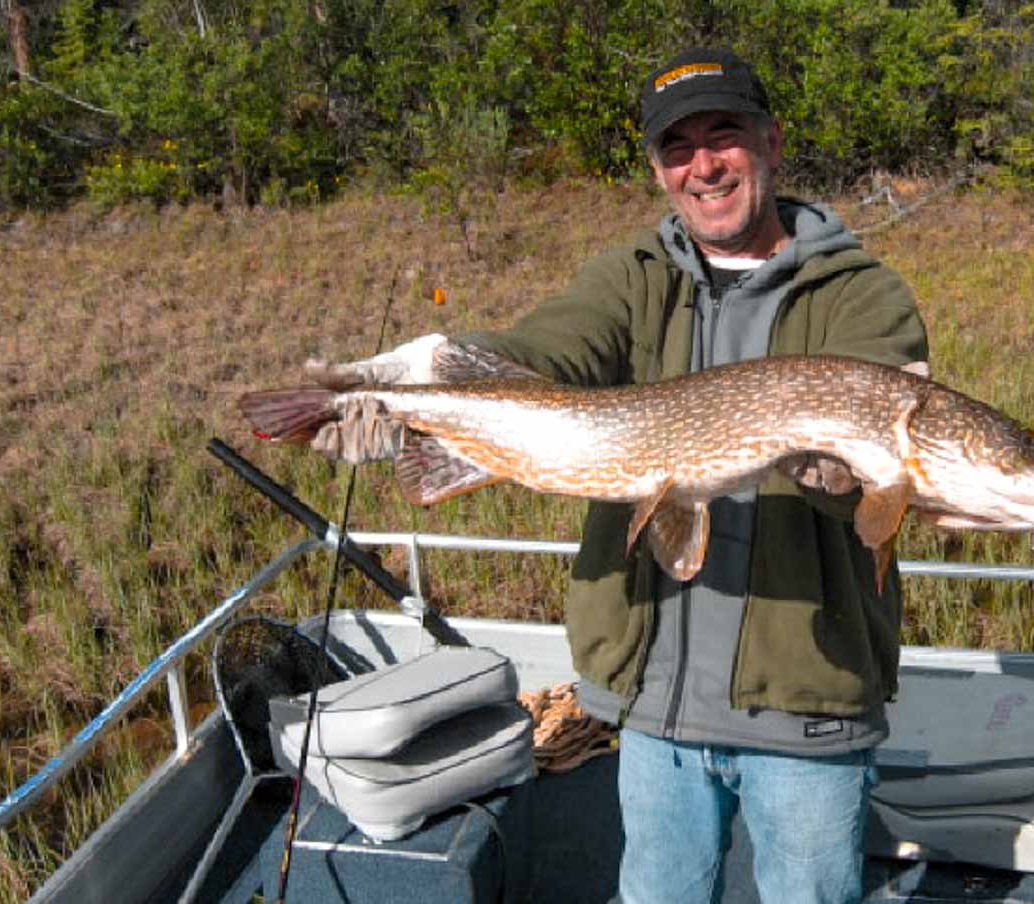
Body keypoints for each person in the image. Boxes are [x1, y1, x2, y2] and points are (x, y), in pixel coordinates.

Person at [310, 46, 929, 903]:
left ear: (772, 143)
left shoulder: (860, 294)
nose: (704, 166)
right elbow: (548, 349)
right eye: (678, 147)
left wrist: (845, 471)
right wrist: (432, 373)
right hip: (653, 702)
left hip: (807, 698)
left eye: (724, 135)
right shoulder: (631, 279)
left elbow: (886, 457)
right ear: (657, 167)